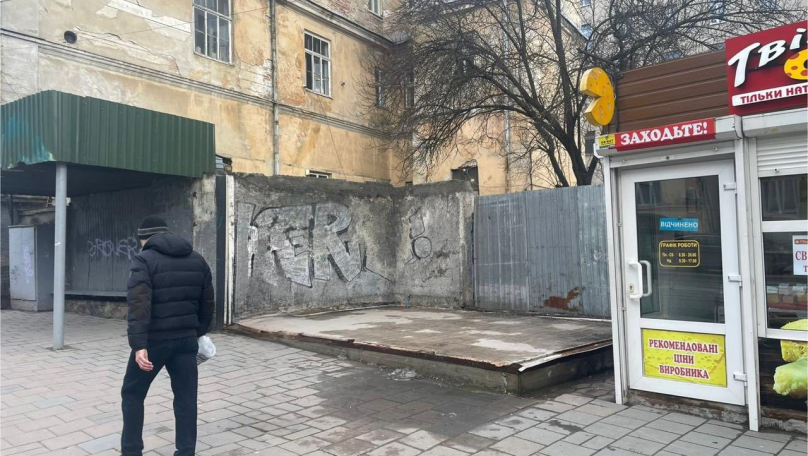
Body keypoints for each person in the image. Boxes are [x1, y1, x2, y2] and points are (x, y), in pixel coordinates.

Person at [121, 216, 214, 456]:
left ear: (144, 239)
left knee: (132, 393)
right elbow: (207, 303)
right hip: (186, 341)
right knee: (186, 398)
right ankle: (186, 451)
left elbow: (139, 304)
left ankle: (131, 451)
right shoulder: (198, 259)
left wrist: (139, 345)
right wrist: (198, 333)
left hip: (155, 342)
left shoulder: (144, 260)